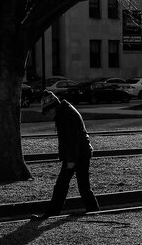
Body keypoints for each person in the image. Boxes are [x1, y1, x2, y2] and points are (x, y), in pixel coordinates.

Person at [36, 90, 100, 218]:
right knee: (82, 185)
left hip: (77, 154)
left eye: (48, 111)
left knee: (63, 184)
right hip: (80, 153)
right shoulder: (65, 112)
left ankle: (53, 212)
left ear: (53, 107)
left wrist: (70, 160)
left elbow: (72, 139)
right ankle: (93, 210)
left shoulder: (65, 115)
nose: (48, 114)